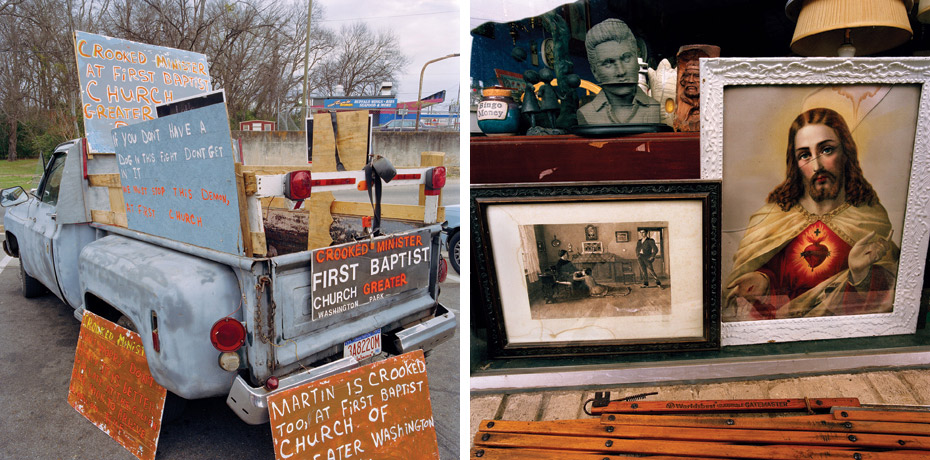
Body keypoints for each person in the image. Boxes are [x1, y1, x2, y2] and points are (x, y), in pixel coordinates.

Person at [724, 107, 897, 321]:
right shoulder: (773, 217)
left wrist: (861, 275)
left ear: (846, 153)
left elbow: (890, 294)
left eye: (826, 150)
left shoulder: (869, 219)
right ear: (795, 164)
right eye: (805, 155)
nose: (816, 166)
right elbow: (772, 272)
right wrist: (762, 279)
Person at [577, 19, 660, 125]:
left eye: (626, 58)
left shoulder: (655, 108)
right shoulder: (587, 114)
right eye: (608, 63)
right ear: (595, 72)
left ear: (637, 61)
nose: (621, 72)